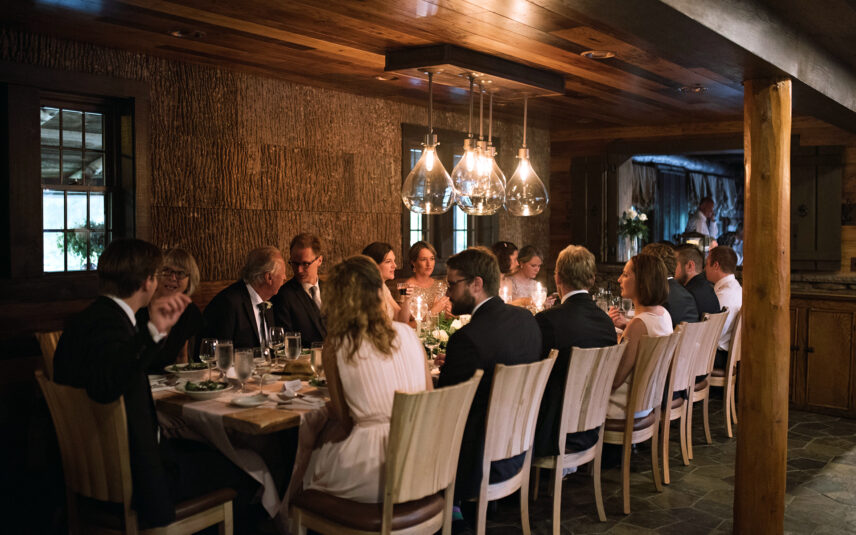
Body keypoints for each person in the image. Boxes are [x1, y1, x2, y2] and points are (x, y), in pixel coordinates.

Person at [53, 239, 254, 528]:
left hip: (88, 470)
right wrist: (152, 332)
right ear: (149, 282)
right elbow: (108, 383)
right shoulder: (111, 327)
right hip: (137, 482)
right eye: (160, 273)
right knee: (244, 468)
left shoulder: (87, 320)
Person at [302, 255, 431, 502]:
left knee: (306, 472)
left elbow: (346, 420)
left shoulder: (336, 344)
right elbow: (428, 398)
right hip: (421, 464)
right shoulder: (409, 334)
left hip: (373, 473)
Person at [436, 247, 541, 504]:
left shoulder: (466, 339)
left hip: (476, 462)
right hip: (519, 449)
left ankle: (448, 509)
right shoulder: (527, 321)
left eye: (452, 284)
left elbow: (445, 407)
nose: (448, 293)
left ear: (476, 284)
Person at [533, 245, 617, 458]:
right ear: (592, 279)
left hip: (552, 429)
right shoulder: (606, 322)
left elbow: (533, 372)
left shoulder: (547, 320)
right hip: (592, 424)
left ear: (558, 278)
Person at [608, 254, 673, 420]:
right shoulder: (664, 314)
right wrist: (626, 327)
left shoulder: (638, 324)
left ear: (643, 282)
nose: (619, 280)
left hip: (625, 407)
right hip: (648, 403)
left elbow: (615, 380)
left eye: (625, 275)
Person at [203, 246, 285, 348]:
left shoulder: (267, 301)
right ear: (269, 277)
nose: (285, 277)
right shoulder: (228, 304)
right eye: (282, 274)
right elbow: (219, 352)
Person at [137, 248, 203, 373]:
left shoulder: (190, 311)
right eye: (166, 271)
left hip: (166, 381)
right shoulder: (139, 306)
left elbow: (181, 357)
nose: (173, 278)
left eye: (180, 273)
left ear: (190, 280)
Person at [620, 242, 698, 328]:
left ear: (651, 265)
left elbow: (649, 328)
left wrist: (627, 326)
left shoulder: (658, 295)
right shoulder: (685, 294)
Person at [272, 233, 327, 345]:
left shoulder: (333, 290)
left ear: (319, 260)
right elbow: (287, 342)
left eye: (305, 264)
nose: (299, 270)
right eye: (295, 263)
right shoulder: (283, 296)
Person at [705, 246, 742, 369]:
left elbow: (713, 335)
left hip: (719, 356)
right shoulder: (737, 288)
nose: (704, 268)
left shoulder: (724, 296)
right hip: (725, 354)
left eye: (707, 264)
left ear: (716, 265)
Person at [361, 241, 412, 323]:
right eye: (388, 261)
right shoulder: (366, 291)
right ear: (373, 265)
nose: (394, 265)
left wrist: (407, 299)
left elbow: (401, 320)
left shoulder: (383, 287)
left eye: (394, 261)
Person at [405, 241, 451, 316]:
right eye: (423, 259)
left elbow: (446, 316)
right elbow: (403, 323)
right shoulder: (407, 287)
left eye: (432, 259)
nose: (429, 264)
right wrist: (433, 311)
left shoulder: (440, 285)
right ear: (413, 262)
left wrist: (449, 311)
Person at [675, 244, 720, 320]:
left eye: (675, 264)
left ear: (690, 266)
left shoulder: (687, 295)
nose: (672, 269)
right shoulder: (709, 289)